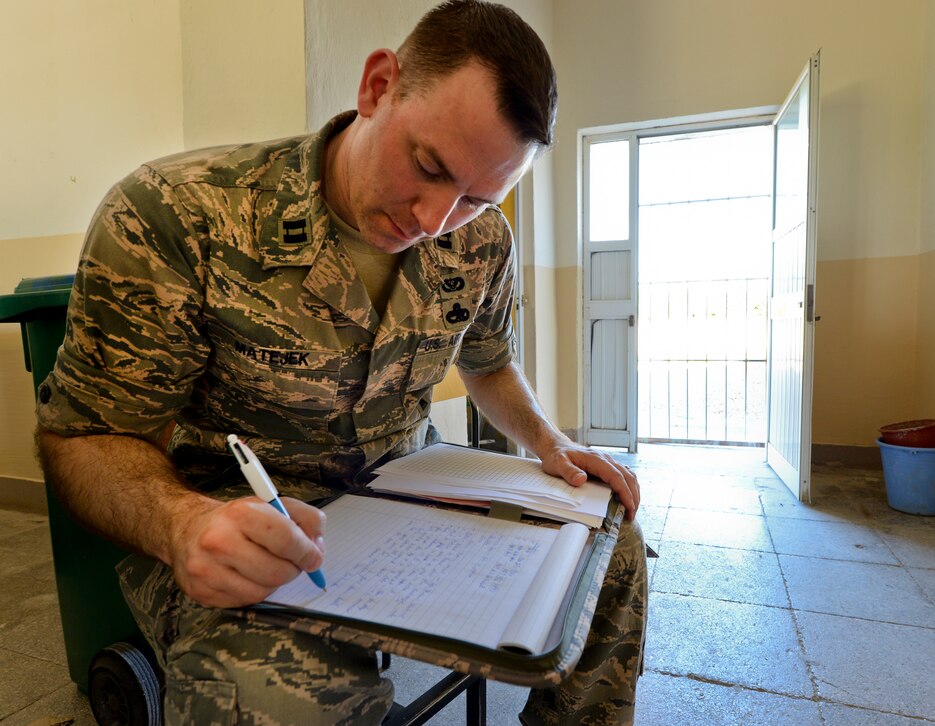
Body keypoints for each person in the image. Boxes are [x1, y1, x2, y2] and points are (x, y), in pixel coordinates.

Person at [34, 1, 646, 723]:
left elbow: (489, 363)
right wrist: (181, 525)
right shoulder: (175, 214)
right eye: (427, 164)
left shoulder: (483, 244)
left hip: (408, 490)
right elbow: (83, 436)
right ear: (378, 86)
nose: (433, 221)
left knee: (611, 544)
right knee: (274, 701)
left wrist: (552, 443)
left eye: (476, 199)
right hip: (243, 521)